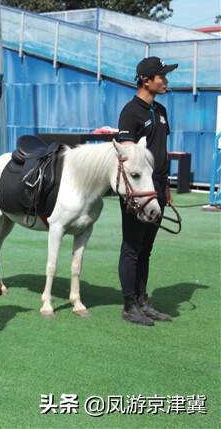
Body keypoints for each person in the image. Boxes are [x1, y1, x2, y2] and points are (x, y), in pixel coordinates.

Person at [116, 56, 177, 326]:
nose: (165, 80)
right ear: (146, 80)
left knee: (146, 248)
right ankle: (129, 306)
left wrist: (167, 188)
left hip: (160, 187)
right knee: (132, 246)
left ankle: (143, 301)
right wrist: (144, 190)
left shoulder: (161, 110)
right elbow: (130, 157)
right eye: (161, 76)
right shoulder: (131, 112)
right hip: (140, 190)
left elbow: (163, 152)